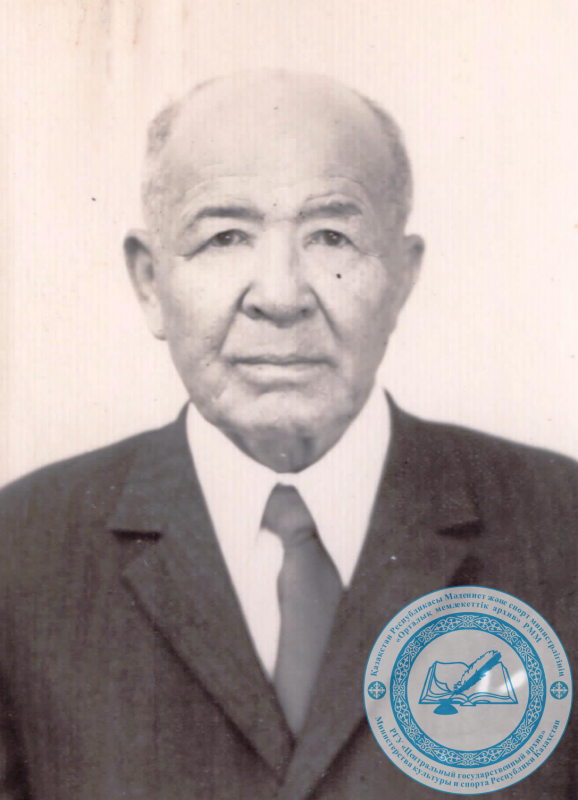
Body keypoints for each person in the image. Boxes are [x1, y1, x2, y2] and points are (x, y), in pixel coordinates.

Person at [0, 70, 576, 799]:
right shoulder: (20, 552)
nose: (279, 296)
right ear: (149, 282)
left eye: (331, 235)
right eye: (224, 236)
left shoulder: (562, 528)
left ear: (402, 278)